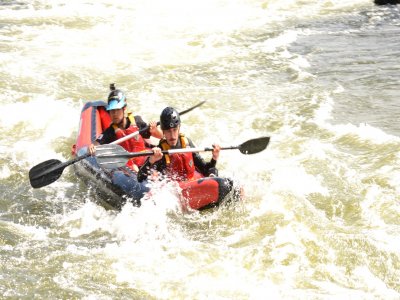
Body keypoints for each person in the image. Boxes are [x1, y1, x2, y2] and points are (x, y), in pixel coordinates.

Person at [88, 84, 163, 172]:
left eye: (117, 110)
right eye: (112, 111)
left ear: (124, 109)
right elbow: (96, 144)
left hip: (145, 158)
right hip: (129, 166)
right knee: (133, 166)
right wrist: (91, 147)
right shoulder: (110, 132)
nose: (114, 114)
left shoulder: (137, 121)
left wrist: (154, 130)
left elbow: (161, 136)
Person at [137, 106, 221, 183]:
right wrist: (151, 160)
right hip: (173, 189)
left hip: (191, 182)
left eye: (174, 130)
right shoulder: (160, 152)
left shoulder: (187, 144)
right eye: (168, 131)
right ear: (163, 132)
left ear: (179, 128)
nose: (172, 135)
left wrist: (214, 158)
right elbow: (140, 178)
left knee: (214, 171)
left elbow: (205, 169)